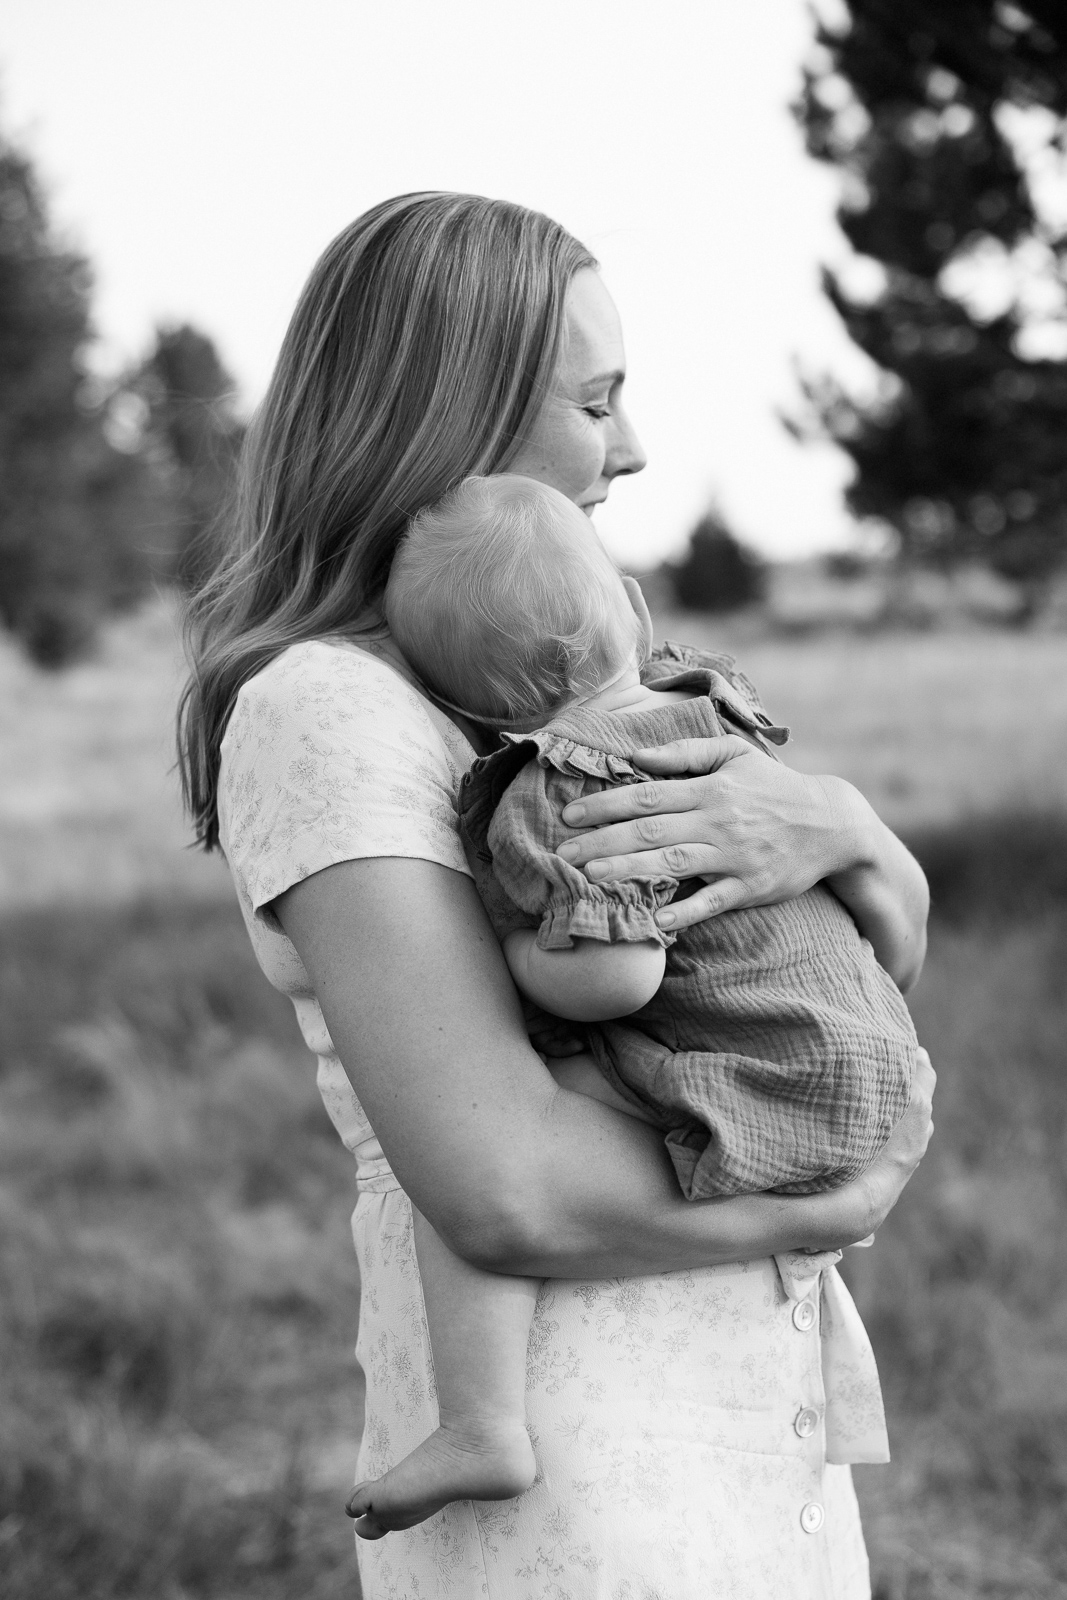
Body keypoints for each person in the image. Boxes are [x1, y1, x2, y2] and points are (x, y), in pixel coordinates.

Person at [178, 192, 934, 1599]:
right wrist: (817, 1197)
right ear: (445, 419)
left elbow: (821, 983)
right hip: (581, 1478)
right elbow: (505, 1184)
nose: (632, 449)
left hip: (739, 1436)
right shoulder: (331, 711)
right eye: (598, 401)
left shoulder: (545, 693)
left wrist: (848, 834)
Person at [339, 472, 919, 1536]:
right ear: (638, 613)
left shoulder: (557, 788)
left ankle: (480, 1424)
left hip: (761, 1075)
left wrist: (506, 952)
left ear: (475, 711)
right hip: (863, 1052)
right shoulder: (710, 705)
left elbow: (617, 977)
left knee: (466, 1146)